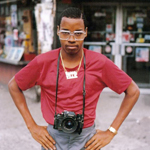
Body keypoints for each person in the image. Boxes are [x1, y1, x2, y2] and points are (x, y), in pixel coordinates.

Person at [8, 7, 140, 150]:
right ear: (58, 31)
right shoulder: (43, 62)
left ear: (85, 33)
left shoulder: (99, 62)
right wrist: (31, 126)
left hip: (87, 139)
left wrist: (111, 131)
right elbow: (14, 85)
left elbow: (133, 91)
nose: (71, 39)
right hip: (52, 139)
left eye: (78, 33)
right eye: (65, 33)